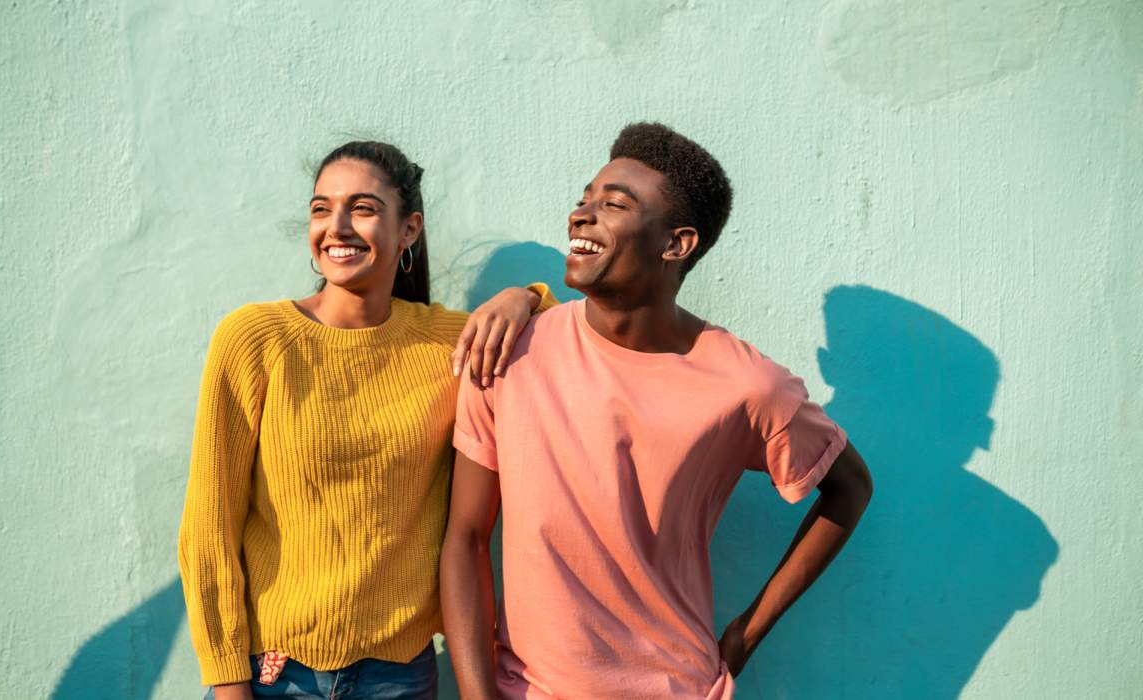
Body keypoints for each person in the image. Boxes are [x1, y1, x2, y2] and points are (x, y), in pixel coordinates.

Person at [440, 123, 874, 699]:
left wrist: (747, 632)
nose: (582, 216)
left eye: (614, 204)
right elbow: (466, 538)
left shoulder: (746, 385)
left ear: (677, 244)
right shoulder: (507, 353)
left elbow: (850, 488)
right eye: (584, 200)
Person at [178, 141, 556, 699]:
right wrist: (229, 684)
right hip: (273, 675)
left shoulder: (448, 343)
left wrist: (525, 297)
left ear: (409, 230)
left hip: (398, 677)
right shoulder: (255, 340)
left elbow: (568, 342)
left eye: (362, 208)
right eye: (321, 208)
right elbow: (208, 530)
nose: (337, 227)